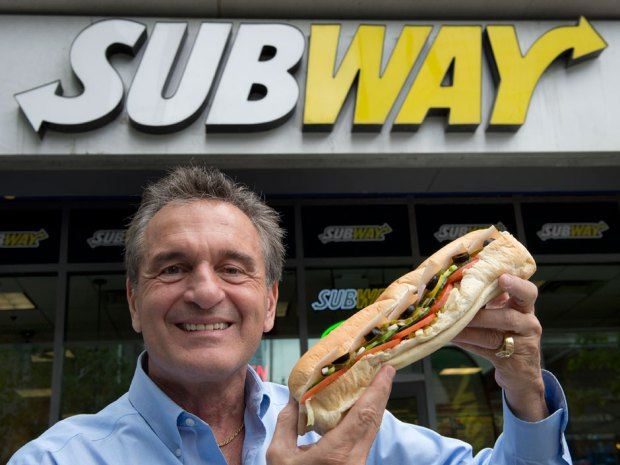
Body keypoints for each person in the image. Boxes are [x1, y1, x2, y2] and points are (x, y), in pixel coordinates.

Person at [8, 166, 572, 465]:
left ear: (270, 304)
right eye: (173, 268)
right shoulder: (56, 460)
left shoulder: (346, 427)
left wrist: (524, 392)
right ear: (134, 302)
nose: (205, 292)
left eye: (233, 269)